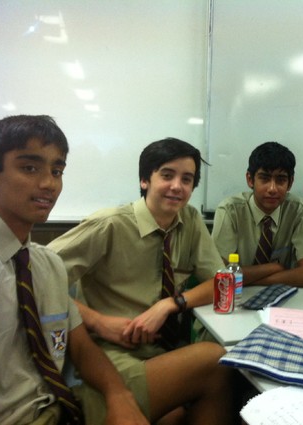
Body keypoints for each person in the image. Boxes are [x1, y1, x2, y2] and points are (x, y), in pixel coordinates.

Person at [48, 137, 235, 424]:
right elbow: (36, 278)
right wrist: (98, 321)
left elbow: (221, 282)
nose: (177, 186)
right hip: (108, 355)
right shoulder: (110, 224)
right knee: (217, 362)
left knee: (214, 383)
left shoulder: (190, 219)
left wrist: (170, 304)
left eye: (187, 179)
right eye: (167, 175)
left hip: (159, 350)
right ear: (145, 180)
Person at [0, 115, 147, 424]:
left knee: (208, 365)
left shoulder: (47, 264)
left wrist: (118, 396)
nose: (49, 183)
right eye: (29, 168)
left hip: (61, 406)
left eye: (56, 171)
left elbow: (82, 349)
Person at [211, 141, 303, 287]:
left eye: (281, 180)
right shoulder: (230, 211)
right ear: (250, 180)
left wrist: (249, 280)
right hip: (237, 295)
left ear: (290, 183)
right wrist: (273, 268)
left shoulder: (299, 210)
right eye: (264, 178)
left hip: (278, 295)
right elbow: (218, 273)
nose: (272, 189)